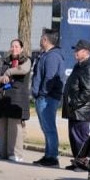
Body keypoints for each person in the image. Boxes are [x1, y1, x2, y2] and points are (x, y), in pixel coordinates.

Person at [30, 29, 66, 167]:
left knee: (49, 127)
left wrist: (42, 93)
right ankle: (48, 154)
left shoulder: (52, 56)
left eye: (41, 38)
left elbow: (49, 77)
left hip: (48, 97)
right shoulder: (45, 55)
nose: (40, 40)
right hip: (44, 97)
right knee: (46, 127)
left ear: (45, 40)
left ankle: (52, 157)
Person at [61, 39, 90, 170]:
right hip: (74, 109)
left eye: (78, 50)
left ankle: (83, 163)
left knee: (80, 137)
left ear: (86, 52)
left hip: (81, 110)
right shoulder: (79, 65)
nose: (75, 52)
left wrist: (73, 103)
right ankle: (77, 161)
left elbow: (88, 91)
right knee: (73, 136)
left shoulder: (89, 67)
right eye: (75, 50)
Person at [0, 38, 32, 161]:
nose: (14, 48)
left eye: (16, 46)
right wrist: (1, 79)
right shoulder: (5, 60)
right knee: (2, 124)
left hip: (18, 97)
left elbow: (23, 70)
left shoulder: (26, 60)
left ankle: (15, 153)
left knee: (14, 126)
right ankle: (3, 152)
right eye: (12, 46)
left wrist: (9, 72)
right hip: (4, 96)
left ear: (21, 48)